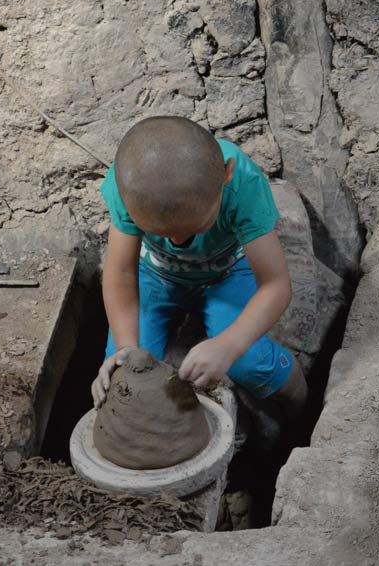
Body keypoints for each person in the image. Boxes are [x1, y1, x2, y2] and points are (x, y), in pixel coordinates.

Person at [90, 115, 306, 424]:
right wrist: (126, 346)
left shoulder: (242, 183)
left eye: (195, 227)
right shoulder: (129, 186)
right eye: (163, 233)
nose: (179, 242)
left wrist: (228, 346)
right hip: (155, 274)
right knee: (124, 376)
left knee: (250, 364)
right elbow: (121, 272)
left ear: (226, 174)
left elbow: (276, 285)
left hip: (228, 272)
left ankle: (302, 412)